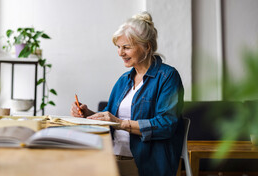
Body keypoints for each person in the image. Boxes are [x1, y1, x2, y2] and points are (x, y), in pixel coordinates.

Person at [71, 12, 184, 176]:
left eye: (126, 47)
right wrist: (87, 114)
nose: (120, 53)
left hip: (146, 164)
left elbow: (166, 124)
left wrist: (120, 123)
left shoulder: (168, 76)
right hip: (114, 157)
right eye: (118, 47)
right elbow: (110, 117)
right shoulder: (124, 80)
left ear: (146, 47)